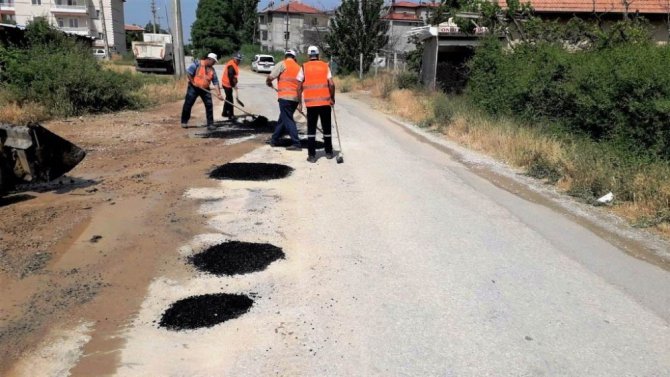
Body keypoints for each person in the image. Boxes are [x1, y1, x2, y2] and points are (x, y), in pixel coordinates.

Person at [297, 46, 336, 163]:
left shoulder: (304, 67)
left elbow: (299, 86)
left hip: (311, 105)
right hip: (325, 103)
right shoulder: (325, 66)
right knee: (327, 128)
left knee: (311, 130)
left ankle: (312, 155)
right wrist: (332, 98)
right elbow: (332, 84)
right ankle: (329, 152)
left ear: (309, 56)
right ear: (318, 55)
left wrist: (299, 103)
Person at [266, 49, 302, 151]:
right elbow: (301, 85)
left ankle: (296, 143)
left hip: (285, 98)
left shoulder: (282, 64)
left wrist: (268, 82)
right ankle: (274, 139)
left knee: (288, 120)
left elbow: (271, 76)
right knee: (283, 119)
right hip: (295, 99)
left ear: (286, 56)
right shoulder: (299, 67)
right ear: (294, 58)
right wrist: (300, 102)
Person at [181, 53, 223, 130]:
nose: (214, 63)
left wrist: (219, 94)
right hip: (194, 88)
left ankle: (210, 124)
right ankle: (184, 121)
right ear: (209, 59)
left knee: (209, 105)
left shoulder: (212, 70)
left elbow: (216, 82)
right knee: (188, 104)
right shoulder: (197, 64)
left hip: (205, 89)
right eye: (213, 61)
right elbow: (188, 72)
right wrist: (193, 82)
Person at [221, 52, 242, 120]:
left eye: (240, 60)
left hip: (227, 83)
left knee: (228, 98)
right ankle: (231, 115)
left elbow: (233, 76)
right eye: (238, 60)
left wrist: (235, 81)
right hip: (227, 84)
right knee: (230, 100)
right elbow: (230, 76)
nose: (239, 61)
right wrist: (233, 85)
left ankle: (224, 113)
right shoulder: (231, 65)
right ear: (234, 59)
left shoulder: (234, 64)